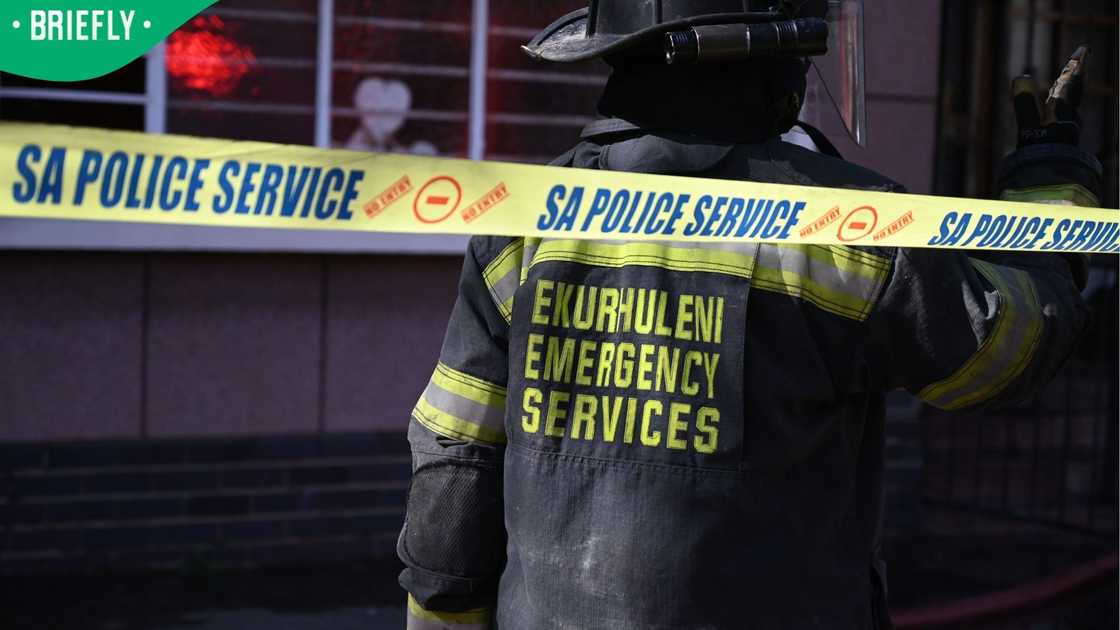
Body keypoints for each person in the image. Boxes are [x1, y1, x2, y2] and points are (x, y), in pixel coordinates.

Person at [395, 1, 1102, 628]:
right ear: (766, 54)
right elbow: (1008, 346)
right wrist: (1049, 192)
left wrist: (443, 618)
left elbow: (454, 460)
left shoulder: (528, 221)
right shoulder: (844, 226)